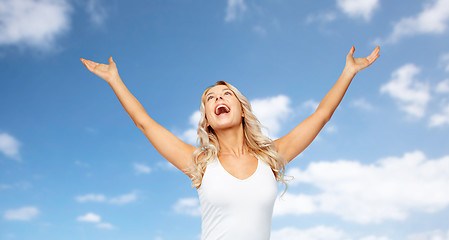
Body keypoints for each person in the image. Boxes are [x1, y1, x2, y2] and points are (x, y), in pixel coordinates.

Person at [80, 45, 380, 239]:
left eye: (226, 95)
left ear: (241, 108)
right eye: (210, 98)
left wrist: (348, 73)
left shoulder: (272, 156)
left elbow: (321, 116)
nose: (218, 99)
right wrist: (114, 80)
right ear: (208, 120)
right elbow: (145, 123)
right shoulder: (200, 163)